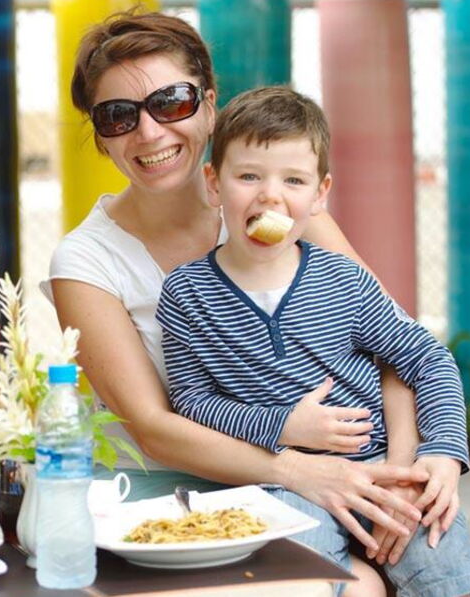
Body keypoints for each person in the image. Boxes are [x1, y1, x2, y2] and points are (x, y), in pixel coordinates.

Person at [44, 10, 433, 595]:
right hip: (172, 489)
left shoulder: (278, 208)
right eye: (118, 115)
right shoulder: (86, 260)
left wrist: (399, 473)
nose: (148, 132)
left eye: (170, 102)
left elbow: (395, 349)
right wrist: (298, 470)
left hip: (330, 474)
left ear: (209, 103)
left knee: (431, 559)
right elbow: (153, 428)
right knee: (348, 587)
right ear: (100, 135)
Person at [156, 86, 470, 597]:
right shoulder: (186, 293)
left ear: (320, 194)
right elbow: (191, 402)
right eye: (249, 176)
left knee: (445, 567)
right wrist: (282, 425)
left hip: (384, 471)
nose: (270, 196)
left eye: (293, 180)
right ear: (214, 183)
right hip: (282, 486)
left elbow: (428, 359)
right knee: (298, 580)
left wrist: (443, 454)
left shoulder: (344, 281)